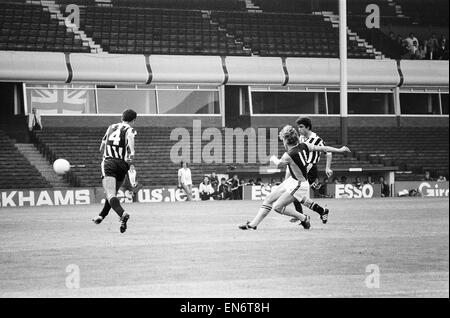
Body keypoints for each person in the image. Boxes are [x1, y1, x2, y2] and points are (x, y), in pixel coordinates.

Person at [239, 125, 350, 230]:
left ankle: (303, 218)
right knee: (268, 200)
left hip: (299, 184)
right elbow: (323, 148)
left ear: (286, 140)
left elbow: (278, 164)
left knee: (277, 207)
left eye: (282, 139)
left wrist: (272, 157)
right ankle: (253, 225)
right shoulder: (305, 146)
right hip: (293, 180)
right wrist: (339, 150)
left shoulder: (288, 155)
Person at [92, 109, 137, 233]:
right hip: (123, 165)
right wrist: (131, 154)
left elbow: (101, 147)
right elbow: (131, 147)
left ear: (121, 117)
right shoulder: (130, 130)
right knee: (112, 194)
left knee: (110, 193)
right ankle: (101, 216)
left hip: (109, 163)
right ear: (133, 120)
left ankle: (123, 214)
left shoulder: (111, 127)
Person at [289, 117, 334, 223]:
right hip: (301, 168)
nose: (299, 129)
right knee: (296, 194)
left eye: (301, 127)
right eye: (298, 127)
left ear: (308, 127)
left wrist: (327, 167)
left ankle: (300, 216)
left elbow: (328, 152)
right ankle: (321, 211)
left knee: (294, 193)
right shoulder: (301, 138)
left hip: (310, 169)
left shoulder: (317, 140)